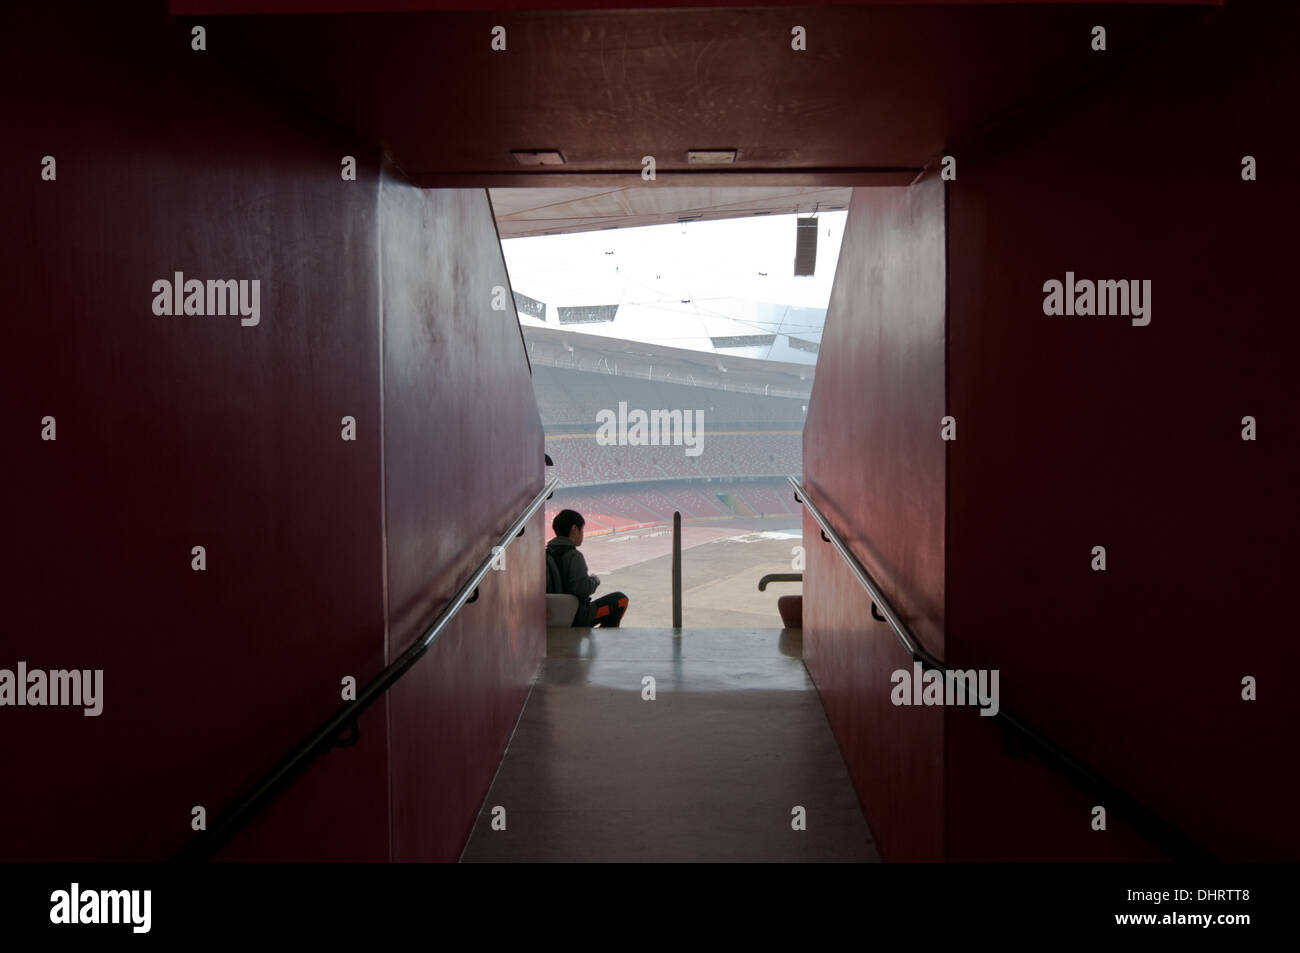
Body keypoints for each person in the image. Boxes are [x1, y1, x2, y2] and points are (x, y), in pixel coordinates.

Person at [546, 509, 629, 627]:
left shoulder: (546, 554)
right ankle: (609, 642)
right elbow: (582, 589)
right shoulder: (574, 555)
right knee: (621, 600)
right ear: (574, 529)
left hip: (555, 614)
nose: (582, 534)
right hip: (577, 616)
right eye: (582, 530)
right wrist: (594, 581)